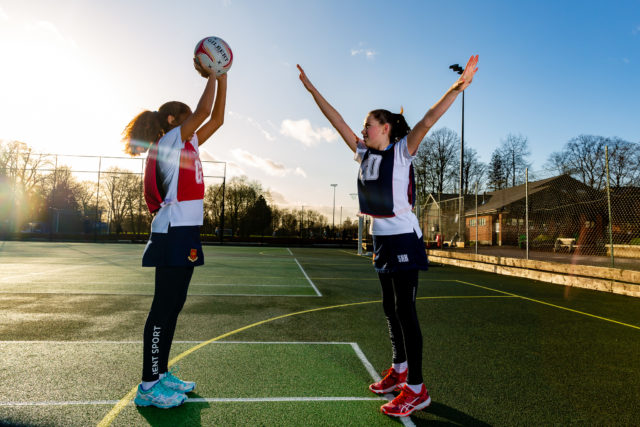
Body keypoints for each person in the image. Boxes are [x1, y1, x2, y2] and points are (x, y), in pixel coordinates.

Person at [297, 55, 478, 418]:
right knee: (388, 307)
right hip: (381, 238)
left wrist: (457, 88)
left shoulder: (402, 151)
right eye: (363, 125)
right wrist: (313, 90)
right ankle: (399, 370)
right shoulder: (363, 153)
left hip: (403, 239)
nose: (363, 129)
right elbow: (336, 122)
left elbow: (428, 119)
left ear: (386, 129)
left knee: (405, 311)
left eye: (369, 124)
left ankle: (417, 388)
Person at [121, 59, 227, 409]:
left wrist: (223, 76)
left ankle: (161, 373)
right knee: (162, 307)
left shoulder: (188, 143)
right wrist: (212, 73)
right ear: (171, 121)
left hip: (186, 232)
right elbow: (203, 110)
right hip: (171, 232)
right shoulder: (168, 141)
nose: (193, 122)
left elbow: (217, 118)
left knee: (175, 305)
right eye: (185, 117)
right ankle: (149, 385)